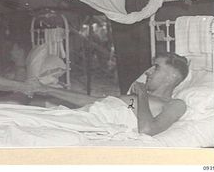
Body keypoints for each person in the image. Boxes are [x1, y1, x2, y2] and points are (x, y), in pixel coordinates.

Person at [41, 52, 189, 136]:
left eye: (156, 68)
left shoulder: (175, 104)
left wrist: (142, 94)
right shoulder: (136, 98)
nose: (147, 72)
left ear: (172, 77)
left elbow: (147, 130)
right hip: (83, 115)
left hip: (90, 123)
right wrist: (46, 89)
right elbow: (93, 101)